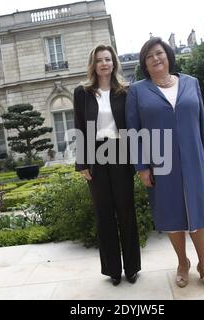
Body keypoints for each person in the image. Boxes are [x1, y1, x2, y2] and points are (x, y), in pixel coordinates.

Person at [125, 37, 204, 292]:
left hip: (193, 158)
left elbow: (202, 121)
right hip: (160, 162)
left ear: (168, 56)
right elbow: (133, 131)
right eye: (149, 56)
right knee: (171, 213)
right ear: (144, 64)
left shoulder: (191, 82)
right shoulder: (137, 90)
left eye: (159, 53)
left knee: (200, 214)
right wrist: (142, 167)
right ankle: (183, 263)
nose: (155, 59)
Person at [73, 44, 141, 286]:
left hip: (121, 152)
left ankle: (132, 267)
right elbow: (80, 127)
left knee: (126, 211)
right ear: (94, 64)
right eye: (100, 60)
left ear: (114, 63)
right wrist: (82, 163)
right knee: (104, 214)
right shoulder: (82, 92)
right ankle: (113, 269)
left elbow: (134, 125)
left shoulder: (125, 91)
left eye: (108, 59)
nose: (104, 63)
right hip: (96, 156)